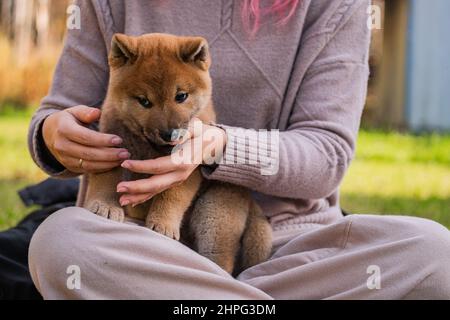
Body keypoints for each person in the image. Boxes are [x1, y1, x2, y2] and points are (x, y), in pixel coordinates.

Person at [27, 0, 450, 299]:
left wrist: (218, 146)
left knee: (433, 252)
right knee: (61, 243)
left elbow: (327, 153)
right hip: (139, 241)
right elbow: (58, 112)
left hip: (287, 249)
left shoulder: (334, 5)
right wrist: (52, 135)